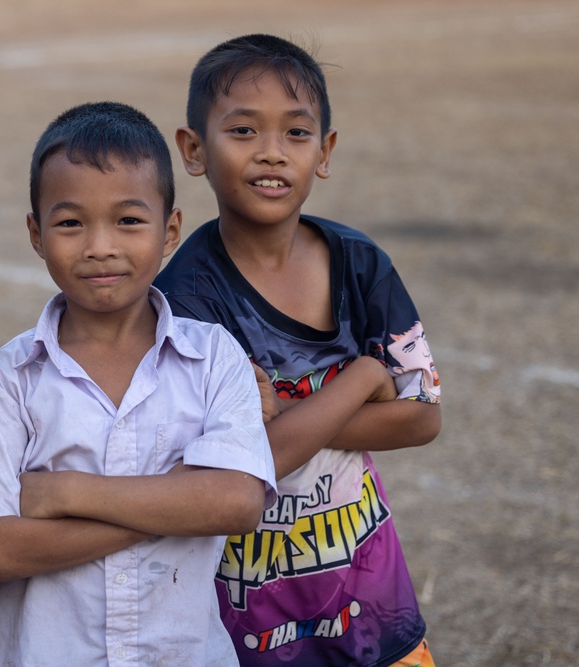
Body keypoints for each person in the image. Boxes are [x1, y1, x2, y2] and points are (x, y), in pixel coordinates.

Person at [153, 34, 441, 667]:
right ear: (194, 150)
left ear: (325, 151)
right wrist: (365, 374)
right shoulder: (186, 302)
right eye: (244, 131)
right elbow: (256, 461)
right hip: (249, 618)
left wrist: (285, 413)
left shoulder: (359, 264)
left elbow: (421, 417)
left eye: (297, 134)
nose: (272, 154)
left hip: (371, 595)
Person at [0, 101, 277, 666]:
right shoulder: (9, 377)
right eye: (70, 223)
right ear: (35, 233)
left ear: (170, 230)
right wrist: (177, 500)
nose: (100, 246)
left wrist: (65, 494)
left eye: (129, 220)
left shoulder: (213, 357)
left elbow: (235, 503)